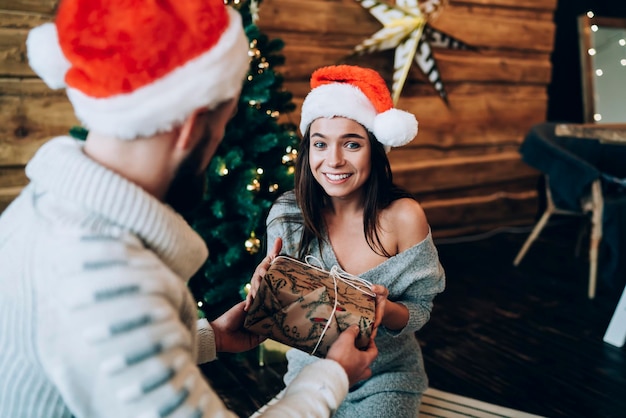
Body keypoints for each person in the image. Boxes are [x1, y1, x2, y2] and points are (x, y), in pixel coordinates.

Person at [0, 2, 378, 417]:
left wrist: (206, 337)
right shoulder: (109, 277)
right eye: (224, 122)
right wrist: (333, 373)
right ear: (190, 126)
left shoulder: (37, 208)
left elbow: (91, 356)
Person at [248, 65, 446, 417]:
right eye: (320, 144)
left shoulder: (404, 217)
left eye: (351, 144)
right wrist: (267, 293)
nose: (334, 160)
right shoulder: (286, 215)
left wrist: (384, 311)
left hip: (384, 377)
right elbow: (285, 318)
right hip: (309, 375)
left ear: (375, 150)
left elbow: (421, 309)